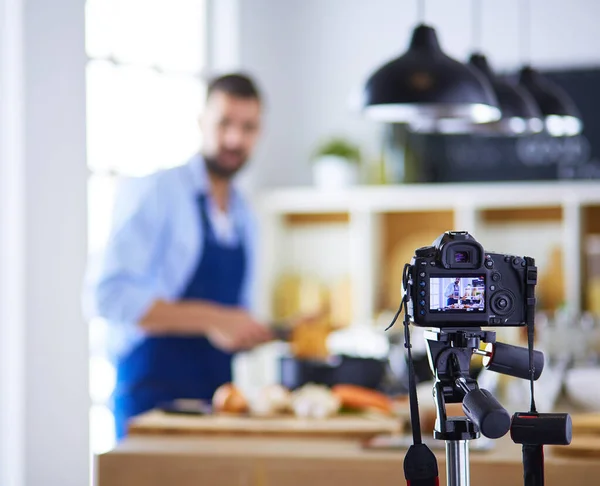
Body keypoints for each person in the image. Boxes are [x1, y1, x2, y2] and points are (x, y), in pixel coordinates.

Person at [84, 73, 274, 439]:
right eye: (224, 123)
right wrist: (212, 318)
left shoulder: (246, 215)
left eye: (247, 127)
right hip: (151, 397)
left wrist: (261, 329)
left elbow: (233, 318)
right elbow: (106, 296)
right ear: (201, 122)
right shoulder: (157, 192)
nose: (235, 138)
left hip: (217, 402)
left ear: (259, 133)